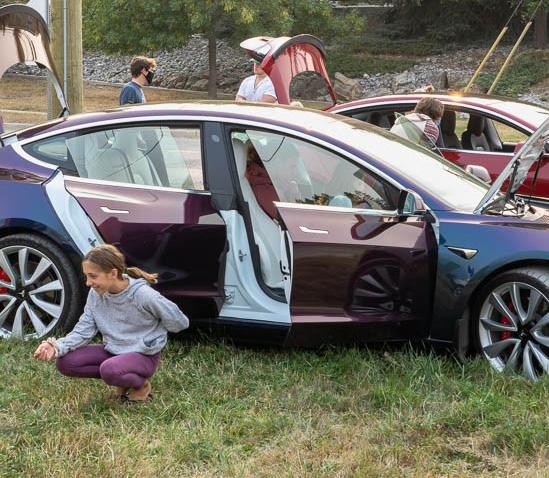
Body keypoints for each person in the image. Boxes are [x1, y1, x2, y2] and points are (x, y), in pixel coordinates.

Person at [33, 244, 189, 403]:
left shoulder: (143, 295)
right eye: (86, 276)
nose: (88, 283)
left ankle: (141, 385)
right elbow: (83, 331)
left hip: (143, 356)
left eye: (93, 276)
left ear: (113, 273)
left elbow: (179, 322)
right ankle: (122, 377)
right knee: (66, 363)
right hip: (114, 351)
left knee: (110, 370)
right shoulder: (96, 294)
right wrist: (56, 346)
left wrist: (154, 335)